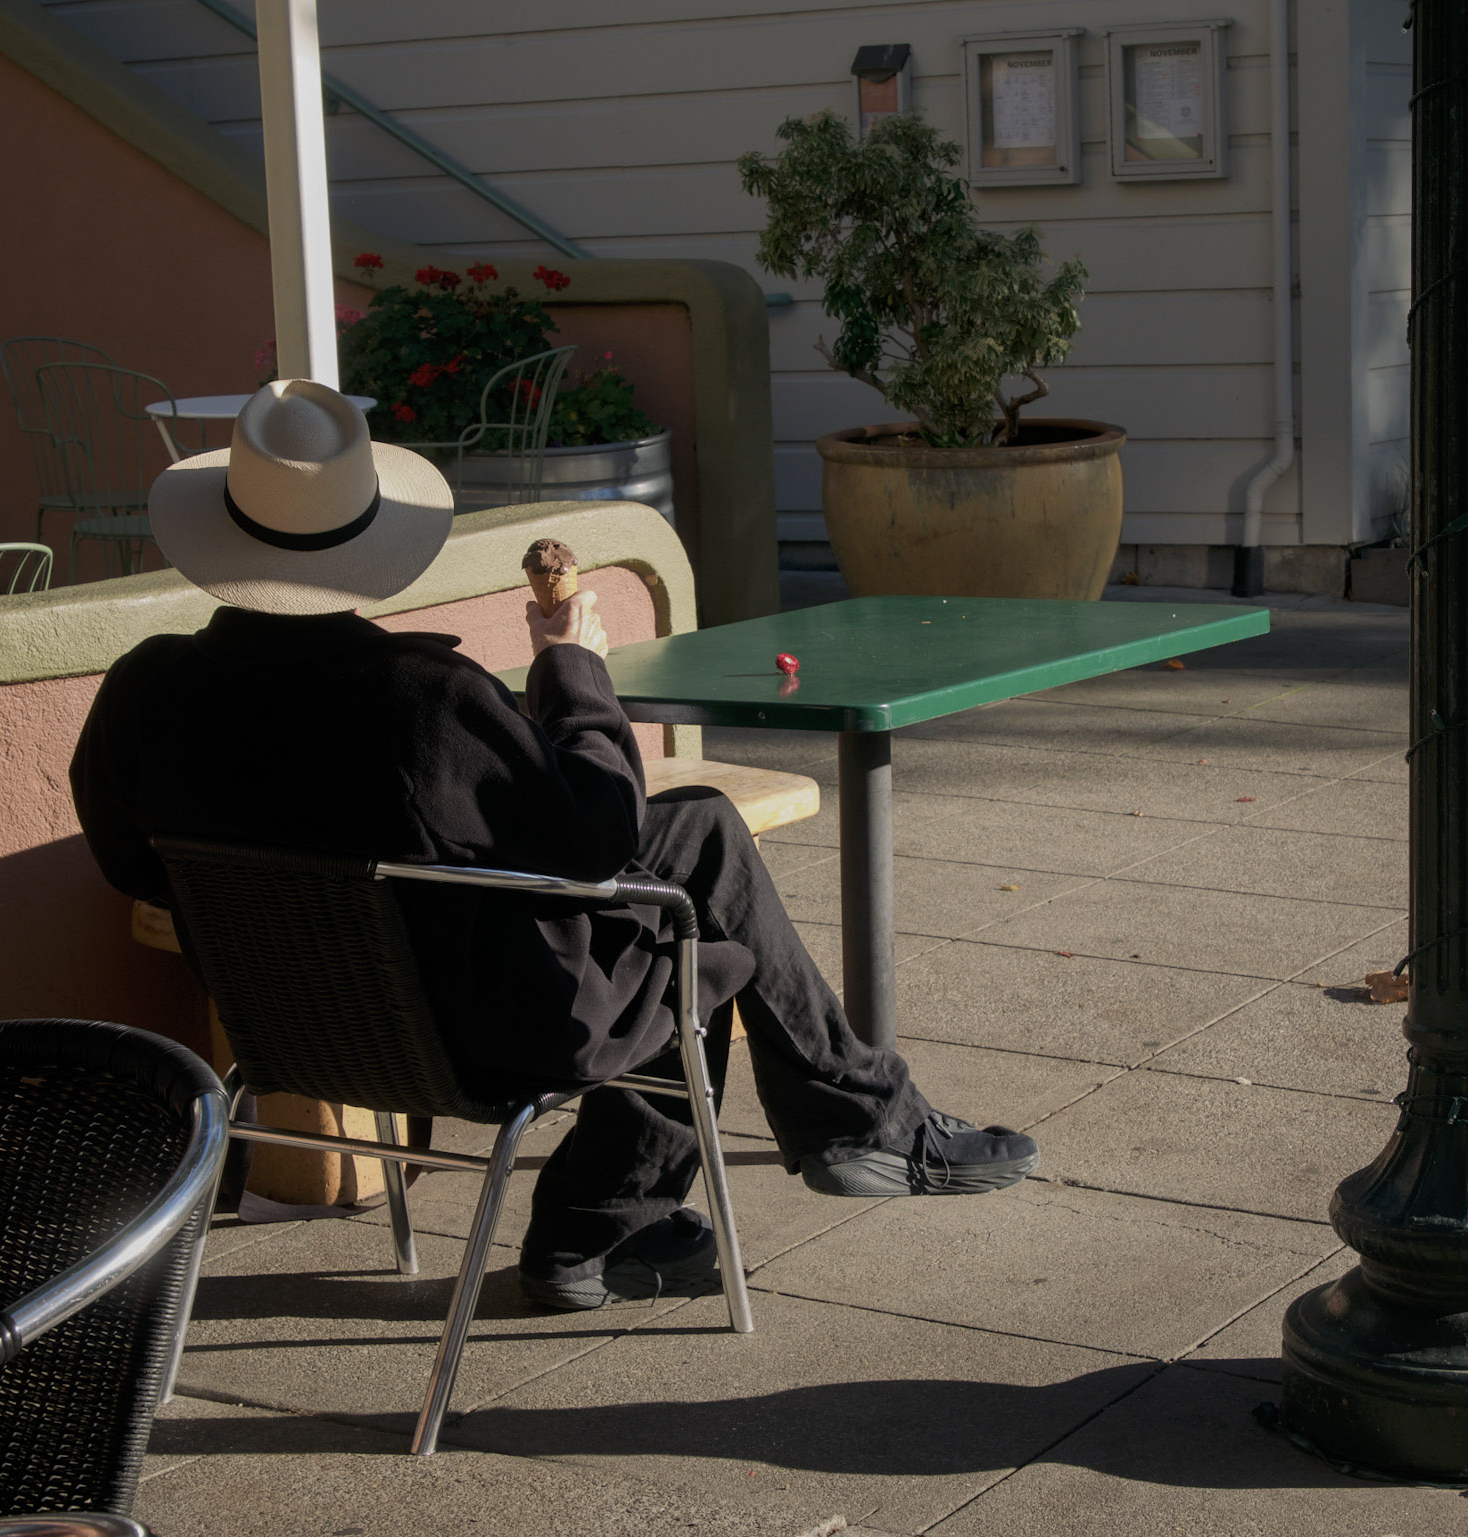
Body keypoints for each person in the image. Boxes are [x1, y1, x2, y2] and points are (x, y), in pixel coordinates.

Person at [70, 380, 1037, 1311]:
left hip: (287, 1031)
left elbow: (132, 863)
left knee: (699, 829)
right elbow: (597, 839)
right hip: (485, 1035)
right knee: (690, 927)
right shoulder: (421, 701)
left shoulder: (146, 689)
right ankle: (649, 1207)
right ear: (365, 540)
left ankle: (767, 1159)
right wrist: (572, 667)